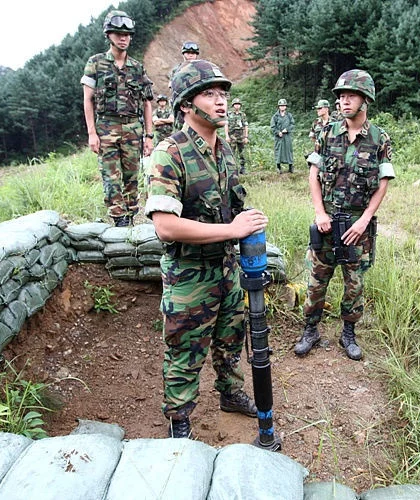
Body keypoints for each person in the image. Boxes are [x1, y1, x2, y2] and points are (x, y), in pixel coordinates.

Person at [145, 59, 267, 439]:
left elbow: (227, 204)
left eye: (222, 94)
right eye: (209, 94)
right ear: (186, 104)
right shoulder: (171, 152)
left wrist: (244, 219)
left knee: (231, 338)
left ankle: (230, 394)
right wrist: (231, 228)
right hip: (189, 275)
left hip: (226, 268)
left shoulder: (224, 150)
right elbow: (165, 226)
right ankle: (179, 420)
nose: (220, 102)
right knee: (185, 350)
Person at [294, 70, 394, 361]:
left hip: (357, 223)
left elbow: (383, 183)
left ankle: (348, 332)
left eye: (350, 95)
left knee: (355, 281)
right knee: (316, 278)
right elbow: (313, 176)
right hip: (326, 220)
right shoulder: (326, 133)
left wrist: (364, 220)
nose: (343, 101)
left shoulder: (379, 139)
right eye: (340, 96)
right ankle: (310, 329)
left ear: (365, 99)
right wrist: (319, 212)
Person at [81, 10, 154, 227]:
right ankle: (119, 218)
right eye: (118, 34)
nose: (123, 38)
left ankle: (131, 213)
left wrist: (149, 136)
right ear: (109, 35)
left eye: (127, 34)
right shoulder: (96, 63)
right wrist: (92, 133)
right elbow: (88, 100)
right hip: (106, 127)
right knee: (111, 176)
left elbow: (147, 102)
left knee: (132, 174)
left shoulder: (137, 67)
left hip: (133, 127)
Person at [270, 98, 295, 173]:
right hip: (279, 137)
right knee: (278, 151)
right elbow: (273, 126)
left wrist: (287, 129)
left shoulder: (289, 115)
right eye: (281, 106)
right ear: (278, 107)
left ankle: (291, 167)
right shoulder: (275, 116)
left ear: (286, 107)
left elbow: (292, 124)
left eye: (284, 106)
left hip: (287, 136)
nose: (282, 107)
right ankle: (278, 167)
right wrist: (278, 132)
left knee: (288, 151)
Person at [225, 97, 249, 174]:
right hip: (232, 136)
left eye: (238, 104)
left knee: (242, 152)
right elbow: (226, 125)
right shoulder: (229, 114)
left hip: (241, 136)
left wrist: (246, 137)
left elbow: (245, 126)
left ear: (240, 105)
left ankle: (243, 168)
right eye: (235, 104)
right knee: (232, 153)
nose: (237, 106)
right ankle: (232, 169)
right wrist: (227, 136)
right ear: (233, 105)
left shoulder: (243, 115)